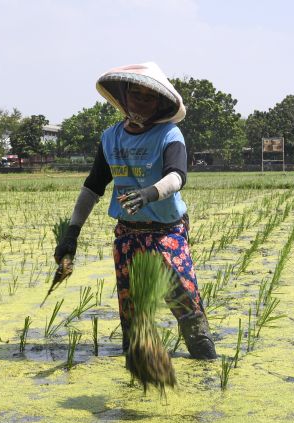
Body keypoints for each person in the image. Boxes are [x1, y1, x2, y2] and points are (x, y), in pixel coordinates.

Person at [53, 62, 217, 360]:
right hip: (128, 235)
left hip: (166, 234)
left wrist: (149, 194)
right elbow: (93, 187)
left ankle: (206, 367)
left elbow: (177, 176)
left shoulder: (169, 135)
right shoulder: (111, 138)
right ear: (124, 97)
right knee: (134, 316)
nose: (142, 102)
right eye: (136, 95)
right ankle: (138, 372)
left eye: (149, 97)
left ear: (159, 104)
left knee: (187, 307)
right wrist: (71, 234)